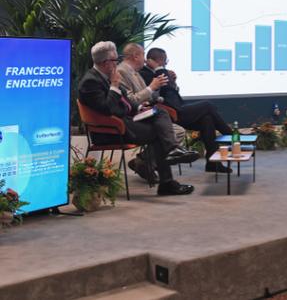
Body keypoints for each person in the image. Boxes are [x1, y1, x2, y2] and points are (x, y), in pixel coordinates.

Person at [78, 41, 198, 196]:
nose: (117, 63)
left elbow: (127, 100)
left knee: (160, 113)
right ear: (106, 63)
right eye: (115, 60)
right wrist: (114, 86)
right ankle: (168, 178)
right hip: (111, 130)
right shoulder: (91, 81)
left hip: (126, 121)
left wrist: (140, 108)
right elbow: (107, 109)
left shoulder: (106, 76)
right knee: (160, 133)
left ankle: (172, 154)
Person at [142, 48, 233, 173]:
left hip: (178, 108)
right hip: (168, 114)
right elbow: (158, 93)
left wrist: (173, 82)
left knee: (207, 119)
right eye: (165, 61)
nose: (166, 64)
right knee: (207, 105)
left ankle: (213, 163)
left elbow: (170, 92)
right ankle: (232, 137)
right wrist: (160, 70)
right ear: (159, 60)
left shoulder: (160, 72)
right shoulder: (146, 73)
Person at [117, 43, 187, 182]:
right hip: (133, 118)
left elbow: (149, 97)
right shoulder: (122, 71)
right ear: (135, 56)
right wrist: (151, 87)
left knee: (177, 131)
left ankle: (144, 163)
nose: (145, 59)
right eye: (143, 55)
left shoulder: (135, 72)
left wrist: (161, 87)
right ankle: (149, 166)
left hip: (145, 112)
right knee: (172, 132)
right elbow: (131, 100)